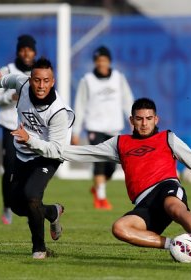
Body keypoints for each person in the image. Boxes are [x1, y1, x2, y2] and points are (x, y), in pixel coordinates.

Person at [18, 97, 191, 253]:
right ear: (131, 120)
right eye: (139, 119)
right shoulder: (119, 143)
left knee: (174, 206)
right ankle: (176, 244)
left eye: (149, 119)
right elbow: (72, 152)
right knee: (119, 228)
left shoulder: (167, 138)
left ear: (156, 119)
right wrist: (35, 142)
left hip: (167, 187)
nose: (144, 124)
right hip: (144, 203)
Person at [0, 57, 75, 259]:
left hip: (48, 156)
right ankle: (52, 212)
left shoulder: (59, 112)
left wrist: (30, 139)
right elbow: (13, 80)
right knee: (16, 205)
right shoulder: (23, 83)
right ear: (31, 79)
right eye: (37, 80)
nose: (41, 85)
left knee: (31, 195)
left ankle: (39, 249)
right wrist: (0, 81)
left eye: (46, 81)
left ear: (53, 81)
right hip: (23, 153)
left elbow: (54, 150)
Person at [72, 45, 134, 210]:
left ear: (109, 61)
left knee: (111, 166)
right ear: (95, 62)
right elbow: (80, 105)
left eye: (104, 60)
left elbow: (127, 100)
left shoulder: (118, 78)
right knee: (99, 161)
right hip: (94, 127)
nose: (101, 63)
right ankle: (101, 199)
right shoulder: (87, 80)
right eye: (99, 60)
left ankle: (98, 187)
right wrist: (76, 131)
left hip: (114, 127)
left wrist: (133, 119)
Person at [0, 34, 37, 225]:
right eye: (23, 49)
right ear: (18, 52)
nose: (27, 53)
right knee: (9, 168)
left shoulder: (38, 73)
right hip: (10, 126)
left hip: (31, 128)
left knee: (30, 169)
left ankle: (28, 204)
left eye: (30, 49)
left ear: (34, 52)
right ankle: (7, 207)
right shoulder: (7, 70)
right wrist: (9, 98)